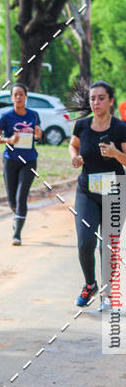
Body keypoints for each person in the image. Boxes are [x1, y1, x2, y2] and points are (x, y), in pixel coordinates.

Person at [69, 80, 126, 306]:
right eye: (93, 98)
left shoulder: (120, 128)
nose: (96, 102)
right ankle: (90, 285)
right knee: (85, 241)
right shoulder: (82, 126)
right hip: (87, 190)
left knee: (108, 245)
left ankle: (107, 293)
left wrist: (115, 153)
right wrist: (73, 156)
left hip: (115, 191)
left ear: (110, 101)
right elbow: (73, 145)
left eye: (101, 98)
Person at [0, 82, 42, 245]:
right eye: (16, 94)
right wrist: (9, 140)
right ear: (12, 98)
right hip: (11, 160)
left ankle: (17, 234)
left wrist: (38, 135)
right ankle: (17, 217)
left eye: (21, 94)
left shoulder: (33, 115)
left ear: (26, 97)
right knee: (12, 199)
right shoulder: (6, 116)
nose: (19, 97)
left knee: (21, 197)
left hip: (29, 160)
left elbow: (38, 135)